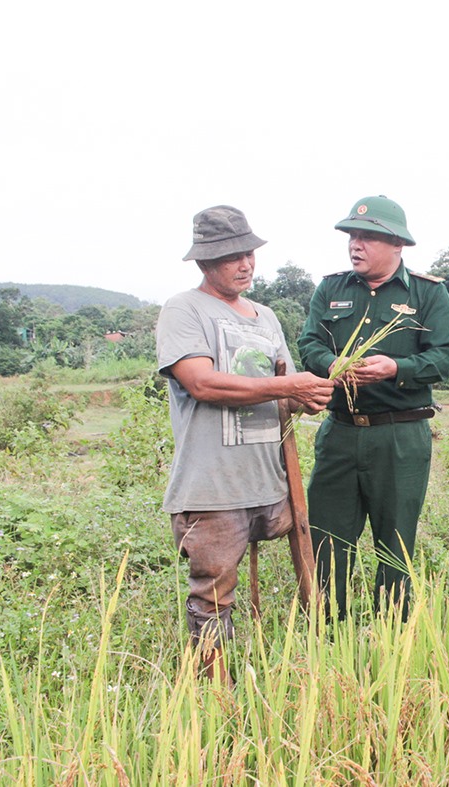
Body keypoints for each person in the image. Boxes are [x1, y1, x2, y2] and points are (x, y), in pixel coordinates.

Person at [156, 205, 334, 678]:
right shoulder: (184, 309)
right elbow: (203, 383)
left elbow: (283, 387)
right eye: (231, 256)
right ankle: (211, 694)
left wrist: (307, 395)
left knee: (306, 570)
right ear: (204, 262)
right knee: (212, 595)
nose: (245, 264)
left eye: (249, 253)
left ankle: (308, 666)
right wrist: (289, 387)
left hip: (271, 481)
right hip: (214, 486)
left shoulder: (266, 317)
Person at [299, 195, 449, 622]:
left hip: (400, 437)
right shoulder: (330, 288)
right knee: (328, 539)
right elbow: (309, 343)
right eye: (352, 235)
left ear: (397, 245)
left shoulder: (428, 293)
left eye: (368, 237)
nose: (356, 244)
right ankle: (328, 633)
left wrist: (396, 368)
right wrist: (330, 364)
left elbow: (445, 357)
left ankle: (392, 634)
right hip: (340, 432)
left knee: (395, 542)